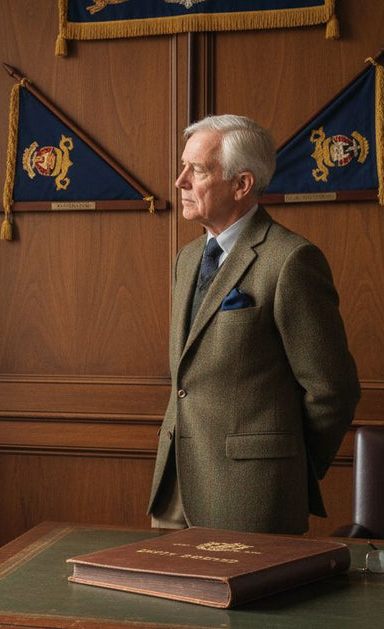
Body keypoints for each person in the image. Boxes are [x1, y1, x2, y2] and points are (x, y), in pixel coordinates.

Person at [148, 114, 360, 534]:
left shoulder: (291, 260)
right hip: (175, 484)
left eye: (198, 170)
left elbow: (333, 389)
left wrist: (289, 464)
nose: (180, 181)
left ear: (241, 184)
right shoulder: (187, 259)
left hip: (252, 494)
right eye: (183, 166)